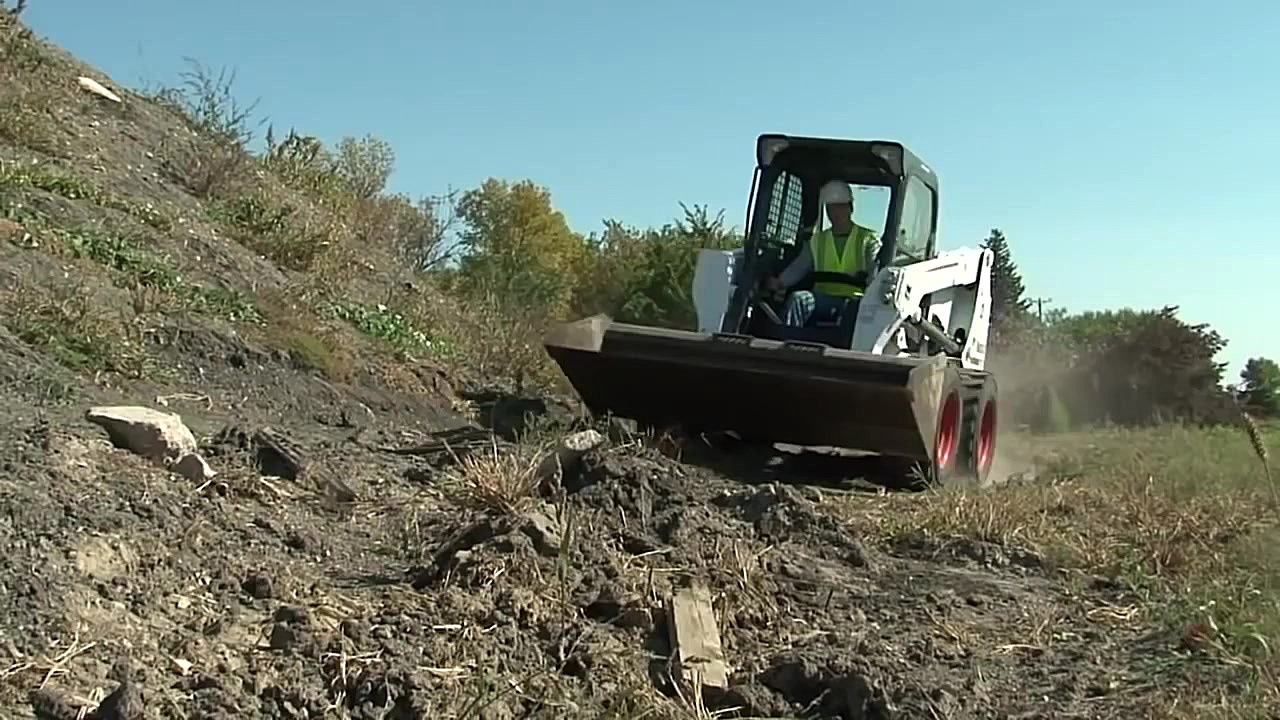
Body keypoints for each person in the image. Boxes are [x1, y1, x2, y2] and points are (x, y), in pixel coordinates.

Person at [766, 180, 881, 327]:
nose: (834, 213)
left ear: (850, 208)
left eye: (840, 207)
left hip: (854, 300)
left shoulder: (868, 240)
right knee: (798, 300)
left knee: (855, 311)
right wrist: (779, 282)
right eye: (830, 208)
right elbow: (799, 268)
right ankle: (786, 342)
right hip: (822, 298)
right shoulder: (817, 241)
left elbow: (875, 273)